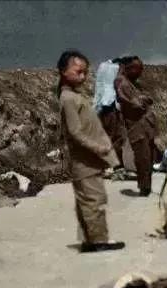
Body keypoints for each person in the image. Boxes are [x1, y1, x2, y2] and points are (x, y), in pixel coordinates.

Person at [56, 49, 124, 253]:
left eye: (85, 72)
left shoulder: (74, 95)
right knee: (94, 200)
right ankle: (98, 241)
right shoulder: (68, 98)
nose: (83, 76)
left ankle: (90, 239)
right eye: (78, 72)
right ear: (62, 72)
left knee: (88, 199)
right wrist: (100, 148)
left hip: (89, 160)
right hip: (84, 160)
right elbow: (75, 132)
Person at [113, 56, 158, 196]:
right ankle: (144, 188)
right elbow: (136, 104)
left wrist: (144, 99)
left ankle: (146, 187)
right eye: (138, 68)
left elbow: (148, 99)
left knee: (148, 157)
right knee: (143, 157)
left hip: (145, 127)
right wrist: (143, 100)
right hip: (137, 127)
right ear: (129, 68)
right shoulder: (122, 83)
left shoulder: (133, 83)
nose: (141, 72)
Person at [92, 57, 125, 168]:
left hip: (102, 105)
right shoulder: (115, 69)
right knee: (116, 136)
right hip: (110, 106)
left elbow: (99, 88)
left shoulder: (103, 67)